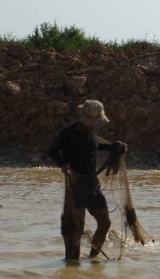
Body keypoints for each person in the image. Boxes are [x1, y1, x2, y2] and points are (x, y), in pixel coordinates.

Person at [48, 99, 126, 260]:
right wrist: (63, 164)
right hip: (75, 185)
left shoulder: (91, 133)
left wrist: (112, 146)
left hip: (92, 185)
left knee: (105, 223)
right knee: (77, 227)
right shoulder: (67, 134)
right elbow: (52, 152)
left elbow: (94, 146)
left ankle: (93, 258)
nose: (94, 125)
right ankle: (73, 264)